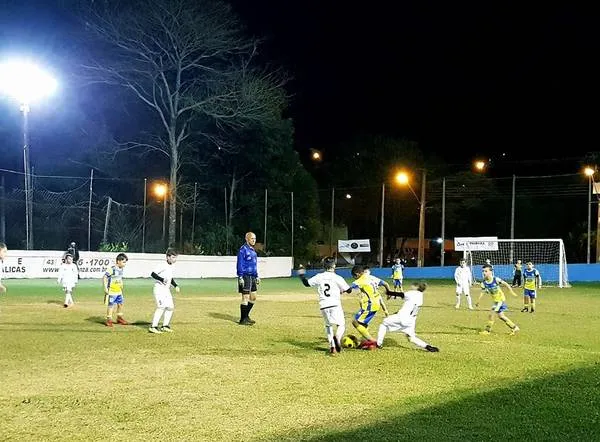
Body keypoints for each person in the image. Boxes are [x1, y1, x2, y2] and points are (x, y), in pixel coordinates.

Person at [297, 257, 351, 355]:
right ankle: (337, 338)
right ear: (334, 266)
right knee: (341, 325)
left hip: (324, 305)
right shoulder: (337, 277)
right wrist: (342, 290)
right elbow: (349, 290)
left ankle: (332, 347)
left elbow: (306, 283)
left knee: (328, 325)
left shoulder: (319, 276)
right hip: (335, 304)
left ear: (323, 266)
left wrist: (301, 274)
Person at [376, 281, 439, 352]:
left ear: (417, 287)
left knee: (384, 324)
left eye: (415, 285)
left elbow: (400, 294)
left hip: (402, 318)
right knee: (412, 338)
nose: (412, 286)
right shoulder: (420, 296)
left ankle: (378, 344)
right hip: (411, 321)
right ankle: (428, 347)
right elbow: (409, 306)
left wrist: (388, 292)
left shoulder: (412, 293)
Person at [349, 264, 390, 348]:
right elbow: (385, 283)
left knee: (355, 322)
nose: (354, 278)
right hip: (376, 303)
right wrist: (389, 293)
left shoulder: (360, 280)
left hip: (369, 305)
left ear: (357, 274)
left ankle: (373, 341)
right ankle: (366, 343)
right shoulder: (371, 277)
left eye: (354, 277)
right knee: (363, 324)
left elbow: (348, 288)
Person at [475, 264, 519, 335]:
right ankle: (514, 327)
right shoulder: (484, 283)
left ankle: (487, 331)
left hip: (500, 300)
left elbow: (506, 284)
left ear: (490, 272)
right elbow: (482, 292)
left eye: (486, 271)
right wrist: (478, 301)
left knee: (491, 314)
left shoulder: (496, 279)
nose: (484, 273)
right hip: (496, 301)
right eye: (483, 271)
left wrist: (511, 291)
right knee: (501, 316)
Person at [149, 249, 180, 333]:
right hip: (159, 289)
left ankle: (165, 325)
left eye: (175, 257)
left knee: (170, 307)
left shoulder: (172, 266)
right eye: (173, 257)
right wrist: (161, 279)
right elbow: (153, 274)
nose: (175, 259)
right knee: (161, 307)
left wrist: (175, 285)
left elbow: (170, 278)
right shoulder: (162, 265)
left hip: (166, 290)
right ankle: (153, 326)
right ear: (168, 257)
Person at [237, 232, 259, 325]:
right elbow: (240, 264)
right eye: (252, 238)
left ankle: (246, 316)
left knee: (253, 297)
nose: (254, 240)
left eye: (254, 238)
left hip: (252, 276)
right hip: (245, 276)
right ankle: (243, 319)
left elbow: (254, 265)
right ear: (247, 239)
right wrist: (240, 276)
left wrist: (257, 276)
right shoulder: (243, 250)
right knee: (245, 297)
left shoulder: (253, 250)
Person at [103, 253, 129, 327]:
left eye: (125, 262)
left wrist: (121, 284)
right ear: (118, 261)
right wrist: (105, 288)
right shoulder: (112, 269)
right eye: (124, 262)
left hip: (119, 291)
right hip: (112, 291)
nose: (125, 264)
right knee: (111, 305)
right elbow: (104, 277)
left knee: (120, 304)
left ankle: (119, 318)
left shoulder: (121, 269)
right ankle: (109, 319)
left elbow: (119, 278)